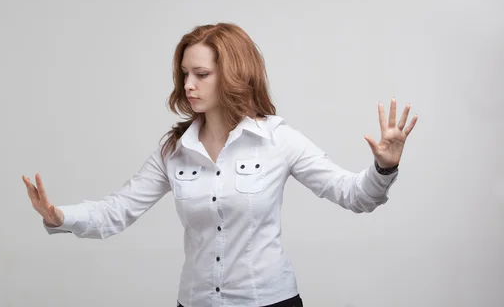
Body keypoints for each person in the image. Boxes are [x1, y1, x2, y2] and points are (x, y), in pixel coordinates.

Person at [22, 22, 418, 307]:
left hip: (268, 303)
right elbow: (118, 210)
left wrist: (383, 169)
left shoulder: (278, 140)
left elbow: (354, 196)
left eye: (201, 74)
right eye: (185, 74)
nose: (188, 85)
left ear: (233, 75)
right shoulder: (175, 150)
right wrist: (59, 216)